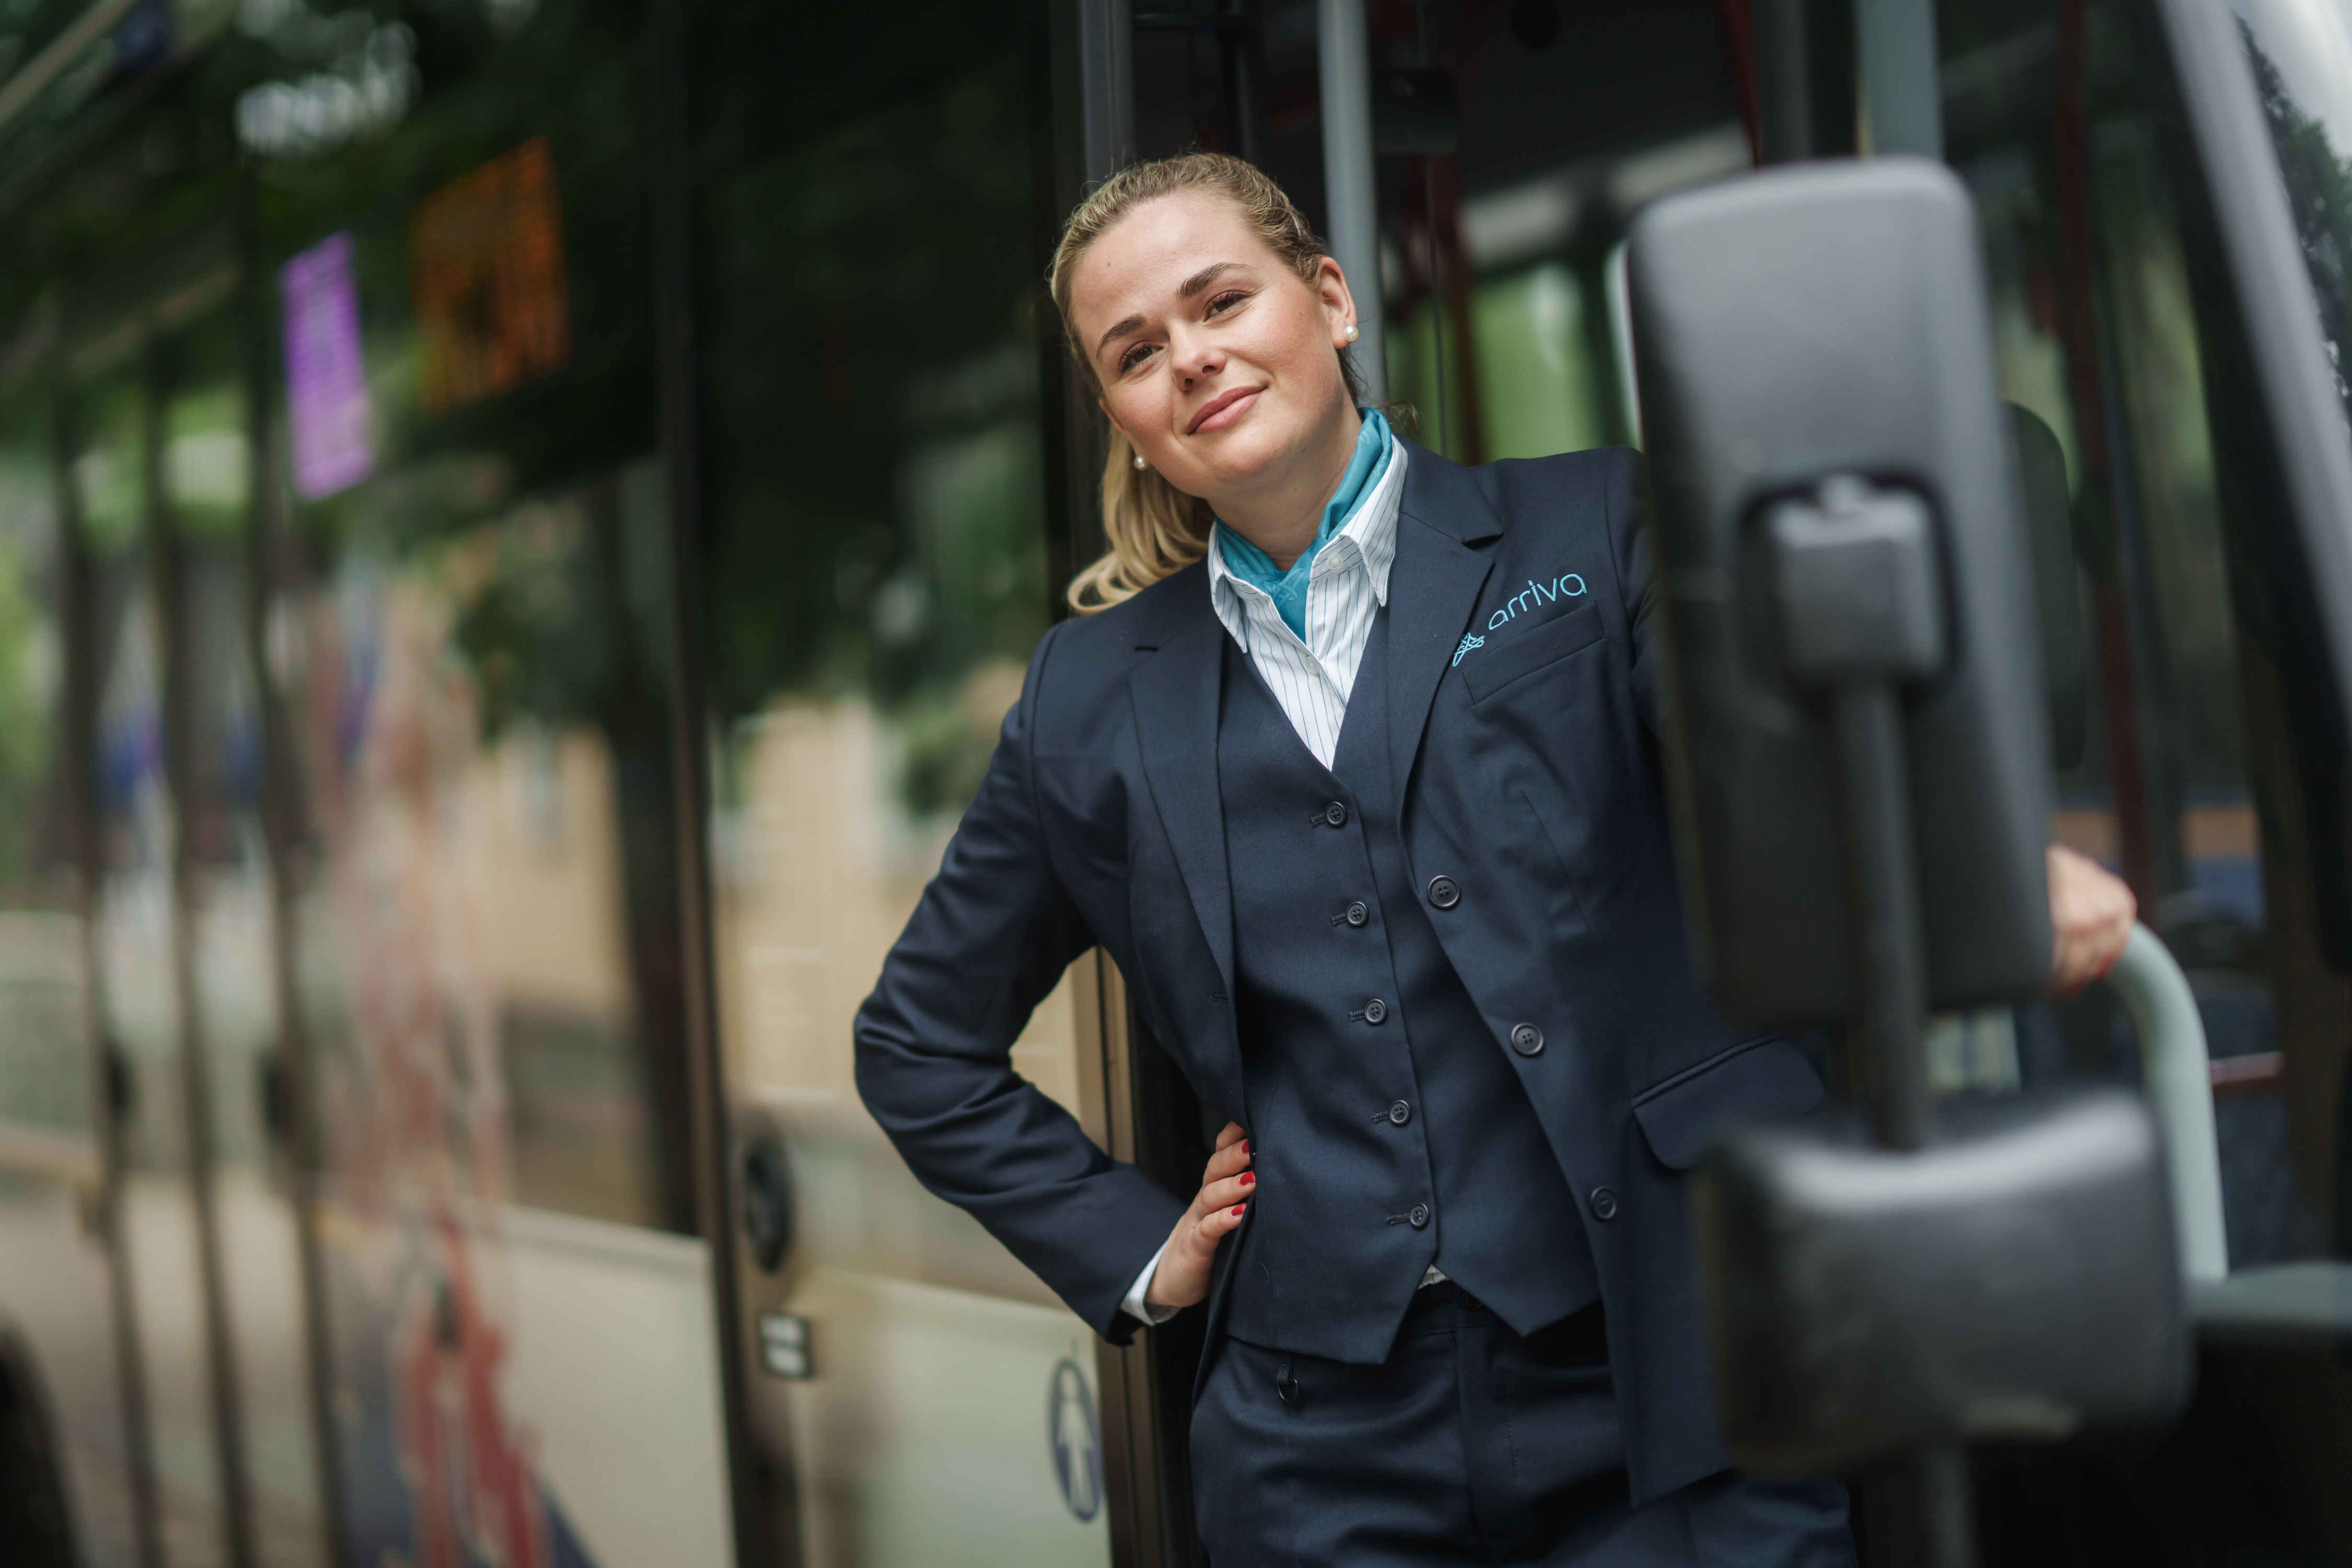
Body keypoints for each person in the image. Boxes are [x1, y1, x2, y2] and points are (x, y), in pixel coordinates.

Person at [855, 152, 2136, 1565]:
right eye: (1137, 350)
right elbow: (917, 1043)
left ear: (1328, 299)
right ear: (1120, 415)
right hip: (1321, 1455)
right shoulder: (1086, 699)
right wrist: (1144, 1255)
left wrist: (1977, 864)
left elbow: (1776, 775)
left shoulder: (1595, 524)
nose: (1192, 357)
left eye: (1221, 300)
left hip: (1667, 1386)